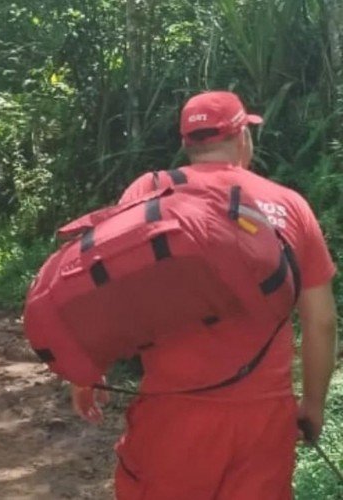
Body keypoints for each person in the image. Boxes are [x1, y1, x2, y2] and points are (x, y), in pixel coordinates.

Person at [73, 91, 337, 499]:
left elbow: (109, 288)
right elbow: (321, 321)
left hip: (173, 411)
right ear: (242, 137)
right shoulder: (289, 206)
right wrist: (313, 405)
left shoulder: (149, 193)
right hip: (263, 419)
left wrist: (87, 367)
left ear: (187, 143)